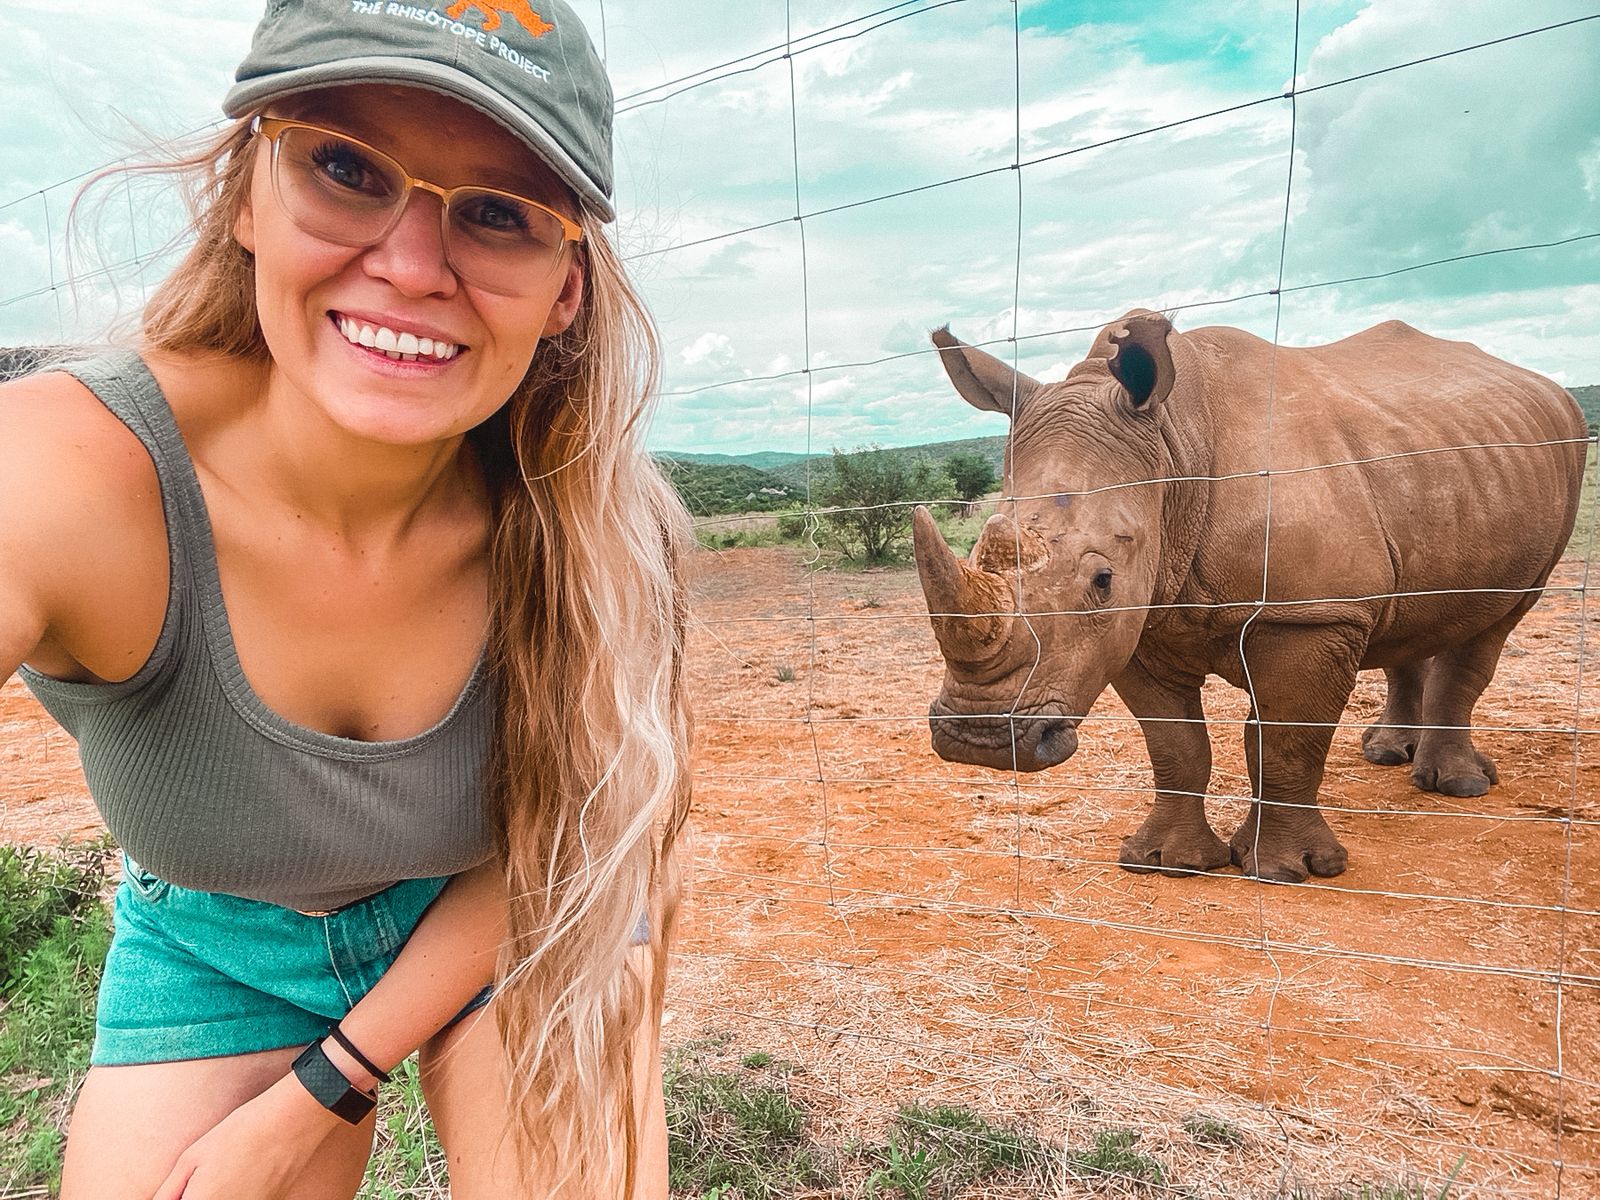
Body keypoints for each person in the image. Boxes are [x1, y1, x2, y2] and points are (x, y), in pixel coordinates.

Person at [0, 1, 691, 1196]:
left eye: (498, 213)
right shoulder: (64, 478)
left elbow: (589, 836)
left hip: (519, 905)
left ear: (565, 286)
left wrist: (322, 1090)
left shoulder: (606, 530)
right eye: (344, 166)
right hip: (222, 939)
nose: (413, 267)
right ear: (245, 196)